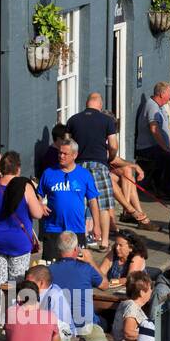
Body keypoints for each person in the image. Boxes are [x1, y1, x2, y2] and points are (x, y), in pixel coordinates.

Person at [0, 151, 47, 284]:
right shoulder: (25, 187)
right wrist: (39, 203)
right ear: (18, 168)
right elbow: (37, 214)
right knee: (17, 279)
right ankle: (14, 304)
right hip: (19, 240)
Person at [67, 93, 119, 251]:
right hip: (99, 164)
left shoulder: (73, 120)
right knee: (102, 203)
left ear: (86, 104)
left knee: (79, 203)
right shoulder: (107, 120)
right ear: (100, 105)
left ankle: (78, 241)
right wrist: (111, 158)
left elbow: (67, 144)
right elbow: (113, 145)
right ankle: (103, 242)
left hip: (79, 165)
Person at [36, 138, 102, 250]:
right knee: (51, 266)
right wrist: (40, 205)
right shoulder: (48, 173)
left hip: (76, 229)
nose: (61, 156)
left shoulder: (84, 175)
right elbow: (39, 194)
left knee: (77, 265)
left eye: (65, 154)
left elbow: (93, 201)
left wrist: (97, 225)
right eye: (60, 153)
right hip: (53, 228)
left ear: (74, 155)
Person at [48, 232, 107, 331]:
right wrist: (90, 260)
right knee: (106, 321)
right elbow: (105, 285)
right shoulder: (86, 268)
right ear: (76, 249)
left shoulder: (48, 270)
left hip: (59, 325)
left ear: (58, 249)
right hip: (85, 325)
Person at [135, 81, 170, 199]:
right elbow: (154, 129)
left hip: (157, 146)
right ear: (162, 94)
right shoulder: (152, 106)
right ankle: (163, 190)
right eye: (169, 94)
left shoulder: (159, 107)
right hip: (147, 147)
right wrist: (165, 147)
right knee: (168, 158)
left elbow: (165, 128)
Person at [27, 264, 74, 341]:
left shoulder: (54, 297)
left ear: (41, 283)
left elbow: (60, 332)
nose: (26, 286)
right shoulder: (40, 293)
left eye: (29, 283)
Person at [109, 155, 153, 228]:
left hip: (106, 168)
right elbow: (113, 159)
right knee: (128, 173)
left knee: (129, 173)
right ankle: (129, 210)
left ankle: (133, 212)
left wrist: (133, 166)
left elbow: (112, 157)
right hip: (94, 171)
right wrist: (135, 166)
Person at [111, 270, 152, 341]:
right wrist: (152, 335)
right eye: (150, 289)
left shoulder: (128, 304)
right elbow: (128, 333)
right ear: (142, 292)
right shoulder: (131, 307)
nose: (151, 291)